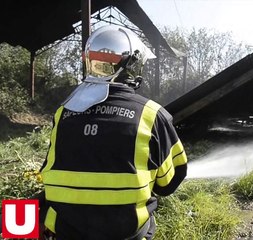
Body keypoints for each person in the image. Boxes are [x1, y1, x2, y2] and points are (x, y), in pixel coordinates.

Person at [39, 25, 188, 240]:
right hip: (126, 234)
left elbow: (49, 172)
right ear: (130, 67)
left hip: (64, 233)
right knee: (148, 219)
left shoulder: (63, 113)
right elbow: (169, 183)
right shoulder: (152, 115)